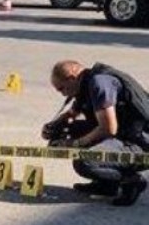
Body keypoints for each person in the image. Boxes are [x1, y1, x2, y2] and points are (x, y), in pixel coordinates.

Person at [42, 60, 149, 206]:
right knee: (68, 129)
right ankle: (107, 184)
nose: (63, 94)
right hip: (125, 134)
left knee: (85, 162)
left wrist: (75, 143)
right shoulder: (85, 83)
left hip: (140, 143)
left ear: (72, 78)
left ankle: (131, 181)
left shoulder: (99, 83)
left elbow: (109, 128)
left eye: (62, 88)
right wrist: (55, 125)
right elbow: (73, 113)